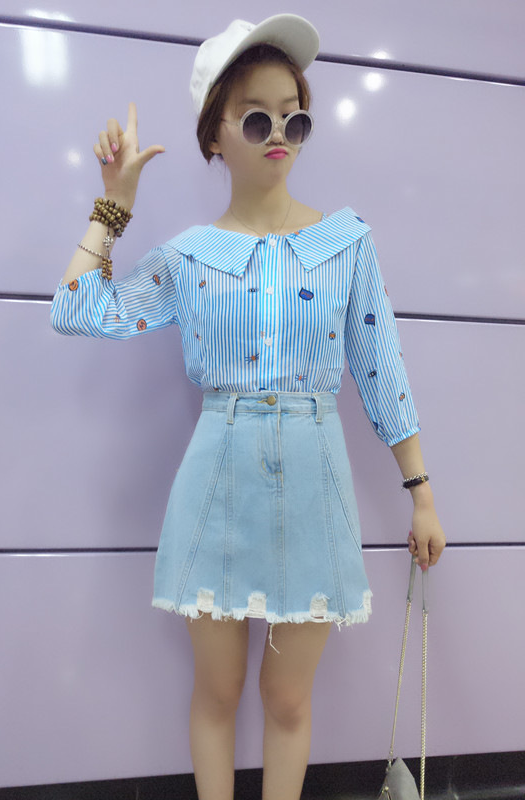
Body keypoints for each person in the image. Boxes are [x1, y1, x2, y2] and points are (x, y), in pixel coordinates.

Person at [50, 14, 446, 800]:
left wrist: (421, 492)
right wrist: (113, 206)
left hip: (314, 478)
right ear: (216, 135)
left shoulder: (345, 245)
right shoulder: (192, 258)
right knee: (220, 691)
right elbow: (77, 310)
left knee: (288, 698)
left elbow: (381, 367)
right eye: (258, 119)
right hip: (217, 480)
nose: (280, 136)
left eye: (294, 118)